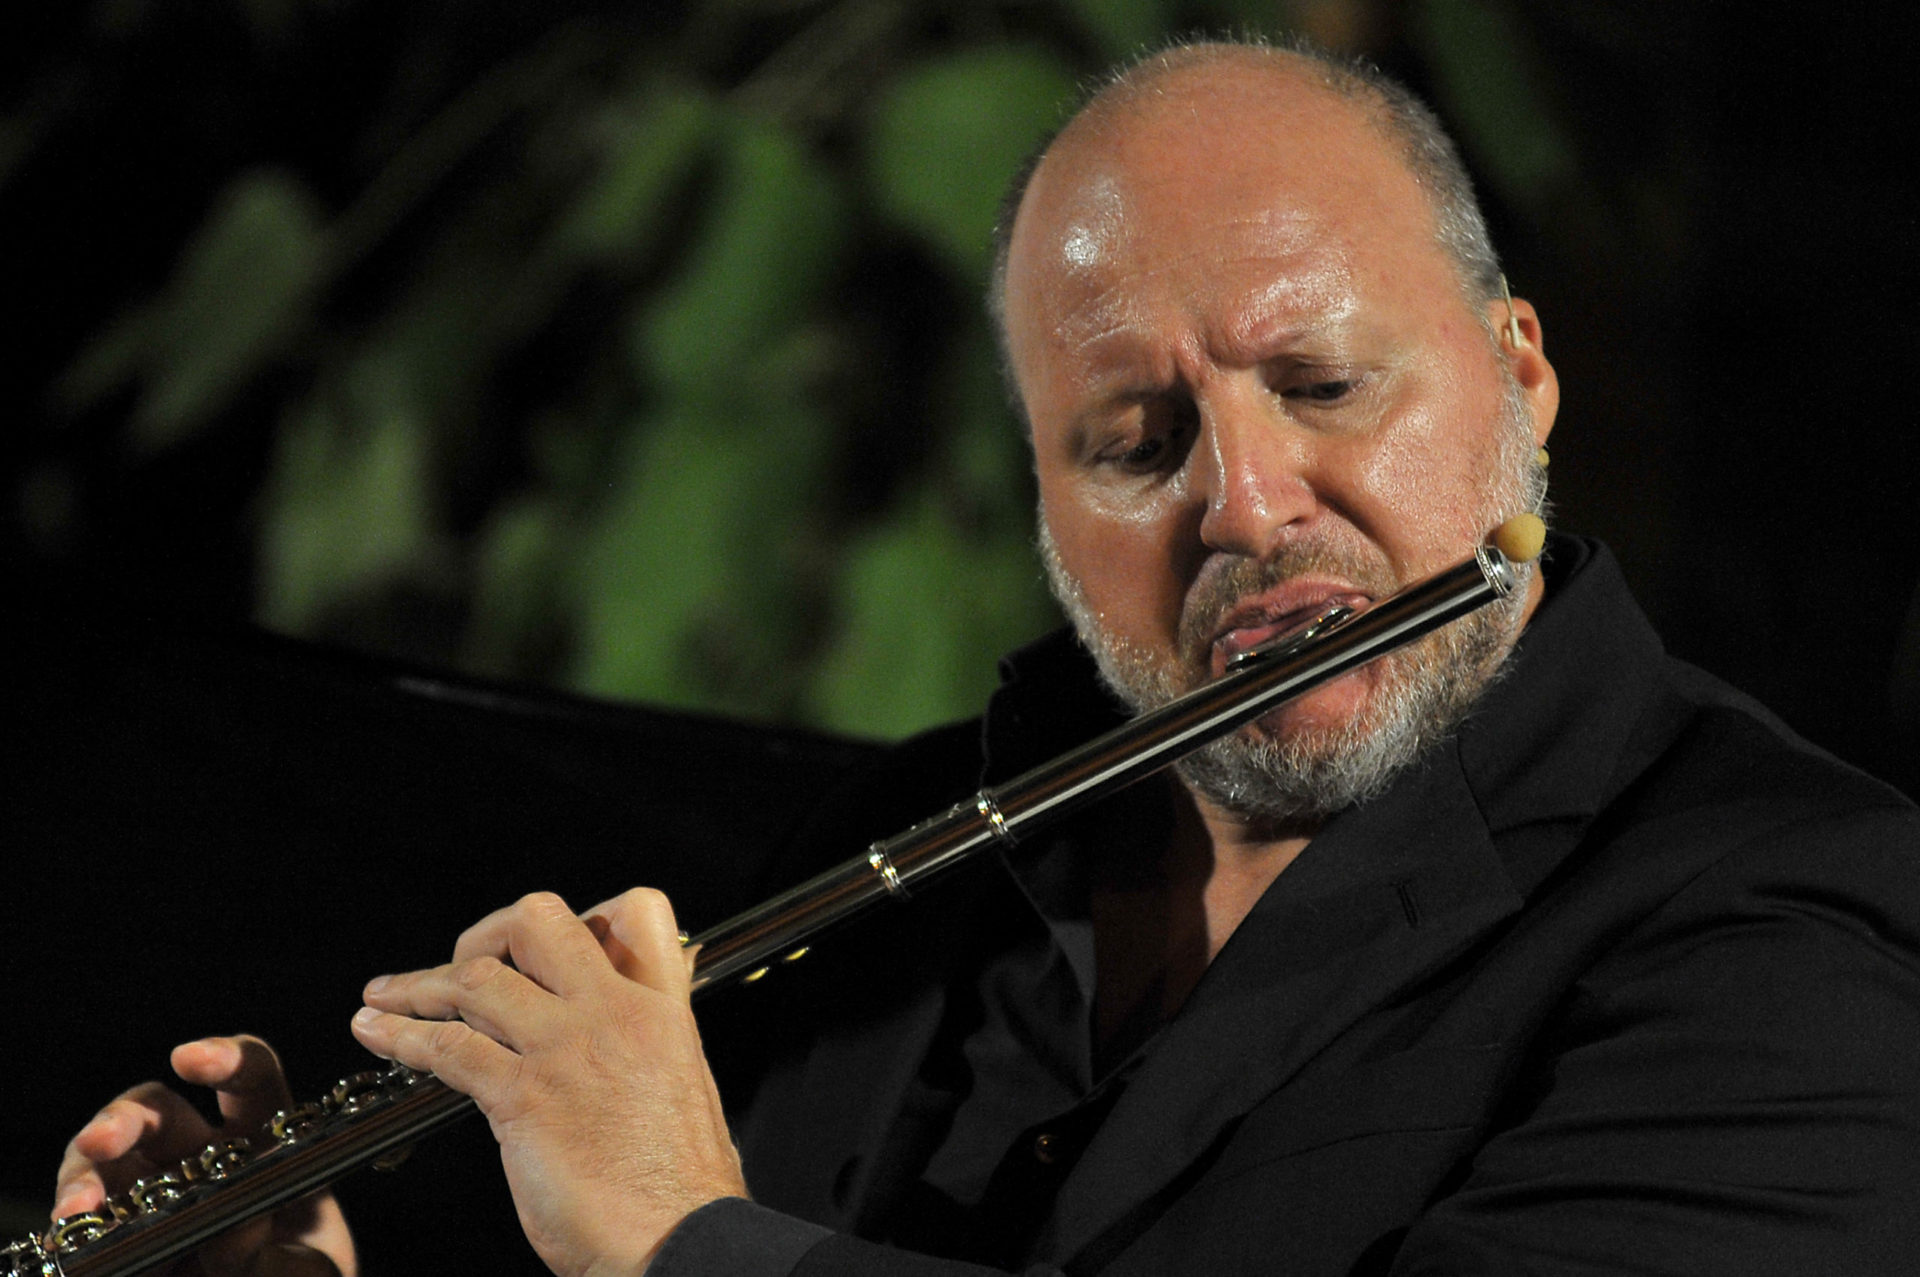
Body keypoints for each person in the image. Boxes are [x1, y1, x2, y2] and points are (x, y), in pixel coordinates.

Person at [50, 37, 1920, 1277]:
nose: (1250, 504)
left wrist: (692, 1241)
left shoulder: (1798, 930)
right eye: (1134, 439)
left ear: (1520, 371)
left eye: (1326, 385)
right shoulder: (884, 866)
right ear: (1042, 490)